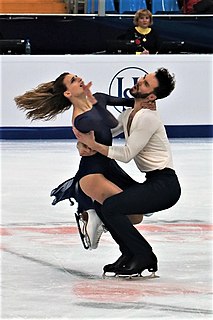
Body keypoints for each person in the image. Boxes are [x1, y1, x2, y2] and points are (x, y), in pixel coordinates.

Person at [14, 73, 144, 250]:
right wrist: (95, 102)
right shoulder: (82, 120)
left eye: (77, 77)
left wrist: (147, 100)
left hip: (109, 168)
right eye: (73, 81)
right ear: (68, 94)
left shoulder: (98, 98)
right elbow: (111, 122)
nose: (80, 79)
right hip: (92, 174)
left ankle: (96, 213)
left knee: (137, 216)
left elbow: (131, 103)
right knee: (126, 210)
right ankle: (96, 214)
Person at [74, 68, 181, 277]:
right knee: (103, 205)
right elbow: (106, 136)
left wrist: (94, 145)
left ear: (151, 96)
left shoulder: (147, 118)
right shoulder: (129, 114)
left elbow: (126, 154)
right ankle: (129, 253)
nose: (140, 81)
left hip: (165, 186)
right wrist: (85, 144)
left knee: (113, 207)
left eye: (146, 83)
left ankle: (144, 255)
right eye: (143, 78)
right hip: (153, 182)